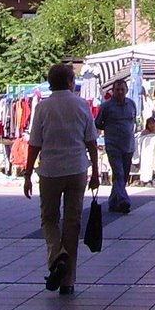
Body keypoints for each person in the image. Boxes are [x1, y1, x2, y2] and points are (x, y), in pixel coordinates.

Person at [23, 63, 99, 297]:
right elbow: (91, 141)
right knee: (72, 221)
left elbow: (35, 143)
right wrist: (95, 171)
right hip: (77, 168)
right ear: (69, 81)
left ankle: (57, 254)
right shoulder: (81, 106)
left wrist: (27, 174)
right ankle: (68, 281)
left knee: (49, 218)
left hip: (50, 170)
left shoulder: (43, 108)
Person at [94, 77, 136, 214]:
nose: (120, 92)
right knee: (118, 173)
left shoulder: (131, 104)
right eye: (117, 90)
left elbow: (133, 121)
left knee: (123, 176)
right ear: (112, 91)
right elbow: (98, 123)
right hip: (113, 145)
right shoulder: (106, 106)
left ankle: (113, 202)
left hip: (128, 145)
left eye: (122, 90)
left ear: (126, 90)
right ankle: (124, 201)